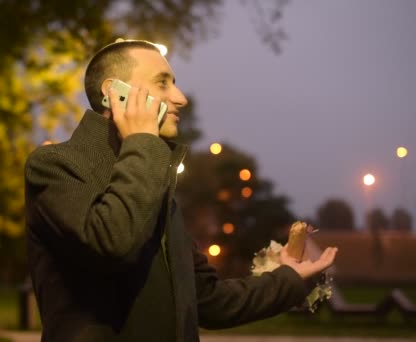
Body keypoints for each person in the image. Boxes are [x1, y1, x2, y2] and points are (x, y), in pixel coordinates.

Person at [24, 39, 338, 342]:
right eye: (163, 83)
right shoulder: (54, 166)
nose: (180, 97)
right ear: (114, 93)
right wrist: (143, 141)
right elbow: (113, 243)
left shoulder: (153, 185)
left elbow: (207, 300)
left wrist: (288, 279)